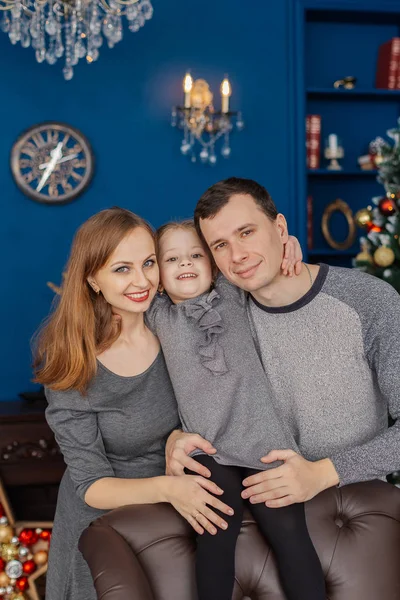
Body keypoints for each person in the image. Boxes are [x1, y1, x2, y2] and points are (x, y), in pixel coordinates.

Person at [168, 177, 400, 524]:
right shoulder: (220, 313)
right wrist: (174, 435)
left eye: (247, 232)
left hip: (352, 512)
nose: (238, 255)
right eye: (220, 245)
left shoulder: (369, 301)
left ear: (280, 228)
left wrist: (322, 473)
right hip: (255, 514)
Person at [33, 208, 235, 600]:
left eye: (148, 263)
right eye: (122, 269)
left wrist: (285, 249)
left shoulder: (174, 325)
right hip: (101, 530)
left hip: (174, 515)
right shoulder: (71, 362)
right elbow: (91, 485)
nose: (142, 281)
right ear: (93, 278)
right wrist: (171, 488)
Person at [146, 220, 325, 600]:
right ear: (158, 275)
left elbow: (262, 263)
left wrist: (288, 243)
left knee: (290, 537)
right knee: (215, 534)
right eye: (172, 259)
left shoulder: (231, 293)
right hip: (209, 449)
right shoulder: (158, 314)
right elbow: (115, 293)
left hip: (265, 443)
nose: (186, 264)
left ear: (213, 265)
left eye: (196, 255)